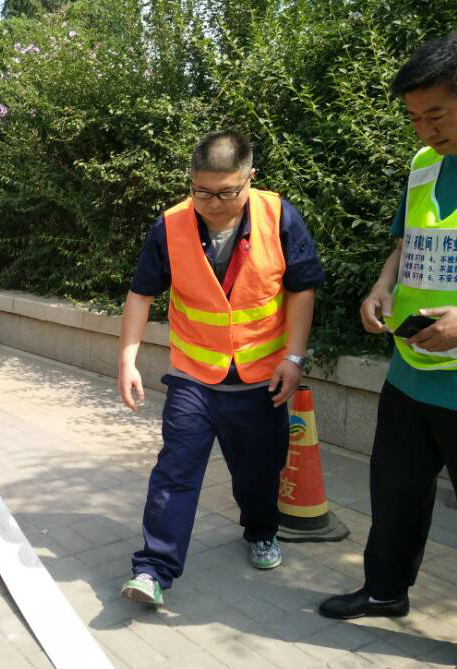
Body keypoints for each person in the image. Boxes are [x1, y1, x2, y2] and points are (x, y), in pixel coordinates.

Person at [117, 131, 325, 606]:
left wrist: (294, 358)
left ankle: (261, 531)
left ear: (250, 178)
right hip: (194, 375)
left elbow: (302, 289)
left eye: (227, 192)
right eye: (202, 192)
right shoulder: (169, 226)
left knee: (259, 473)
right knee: (175, 471)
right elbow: (140, 294)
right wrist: (127, 359)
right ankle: (152, 568)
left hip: (260, 378)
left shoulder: (280, 217)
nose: (213, 204)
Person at [320, 35, 457, 623]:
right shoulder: (424, 165)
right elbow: (407, 244)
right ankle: (384, 591)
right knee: (395, 491)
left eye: (436, 115)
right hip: (412, 370)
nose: (424, 130)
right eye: (414, 118)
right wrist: (381, 287)